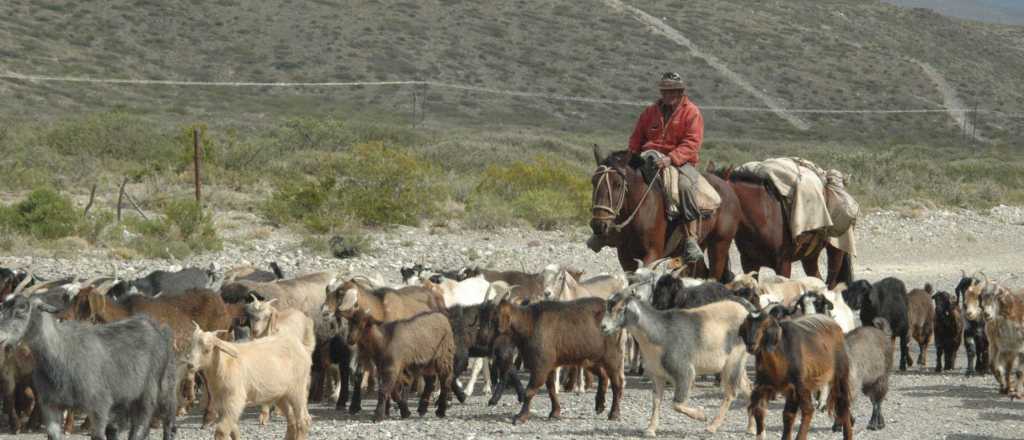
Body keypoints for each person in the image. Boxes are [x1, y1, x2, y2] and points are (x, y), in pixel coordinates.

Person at [627, 72, 705, 263]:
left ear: (680, 92)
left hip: (681, 162)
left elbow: (692, 142)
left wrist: (671, 158)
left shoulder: (691, 112)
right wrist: (631, 157)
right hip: (649, 158)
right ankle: (609, 230)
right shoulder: (650, 112)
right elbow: (637, 137)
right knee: (620, 178)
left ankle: (691, 239)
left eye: (672, 91)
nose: (667, 95)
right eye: (664, 91)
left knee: (686, 186)